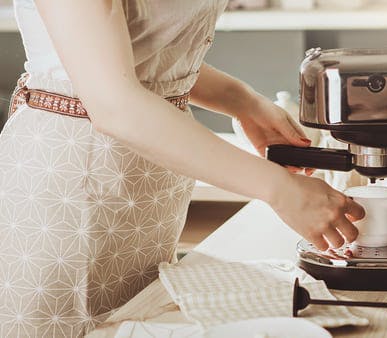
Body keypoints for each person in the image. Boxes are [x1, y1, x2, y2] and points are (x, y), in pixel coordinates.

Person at [0, 0, 365, 336]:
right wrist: (281, 190)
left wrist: (243, 101)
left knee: (133, 322)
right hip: (65, 195)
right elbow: (114, 105)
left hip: (143, 195)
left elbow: (142, 47)